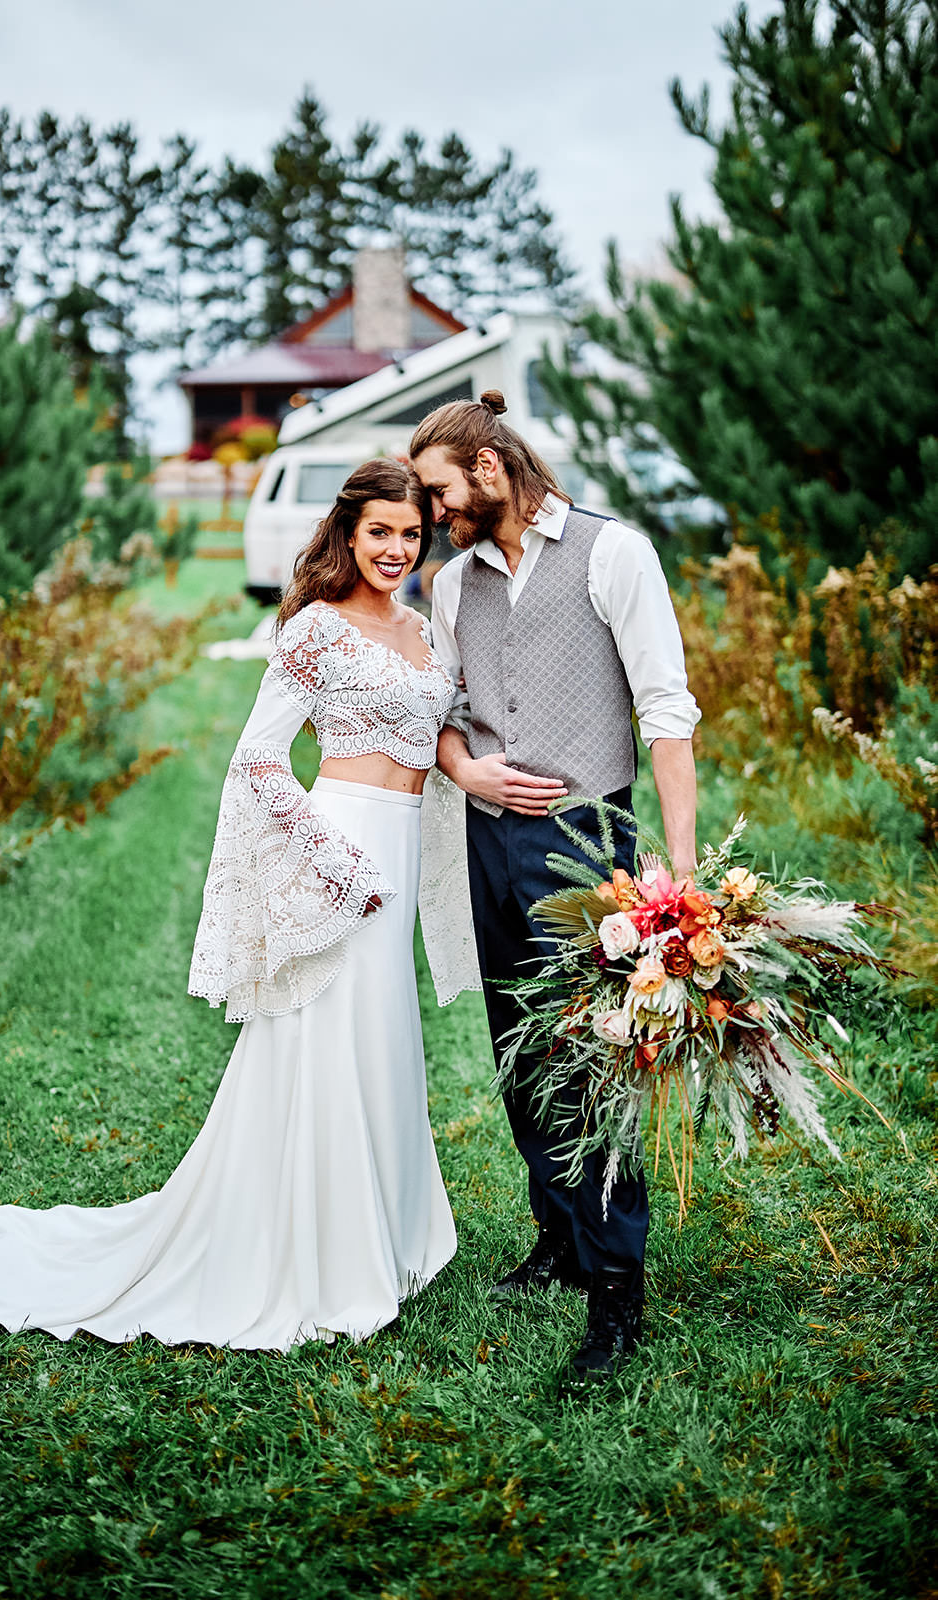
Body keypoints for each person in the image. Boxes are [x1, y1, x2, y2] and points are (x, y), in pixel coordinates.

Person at [0, 460, 458, 1351]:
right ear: (347, 532)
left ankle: (382, 1229)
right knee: (322, 1035)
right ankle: (308, 1251)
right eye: (379, 531)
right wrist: (330, 858)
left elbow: (440, 733)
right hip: (340, 847)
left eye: (410, 534)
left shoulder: (420, 629)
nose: (395, 548)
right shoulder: (314, 632)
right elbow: (258, 758)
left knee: (381, 1035)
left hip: (404, 844)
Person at [411, 392, 700, 1390]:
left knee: (597, 1065)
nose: (433, 512)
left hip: (587, 844)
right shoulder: (451, 586)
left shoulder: (612, 554)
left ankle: (615, 1288)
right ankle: (559, 1239)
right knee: (517, 1050)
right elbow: (438, 711)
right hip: (489, 844)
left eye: (442, 492)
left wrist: (680, 870)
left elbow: (664, 709)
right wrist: (465, 768)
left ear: (488, 468)